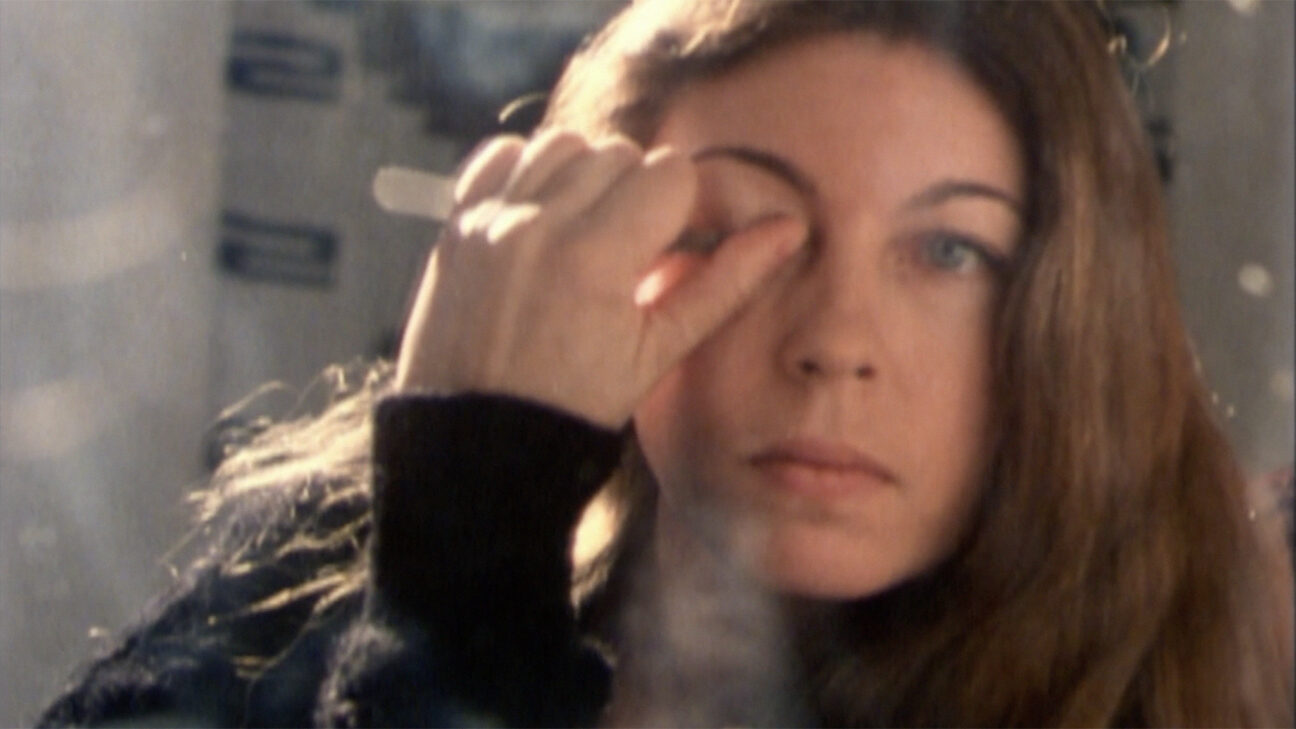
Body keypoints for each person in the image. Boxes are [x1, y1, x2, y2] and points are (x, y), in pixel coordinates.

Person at [37, 1, 1295, 726]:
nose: (835, 345)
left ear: (1070, 315)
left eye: (950, 252)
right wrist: (467, 545)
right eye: (738, 231)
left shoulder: (1196, 682)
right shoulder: (318, 580)